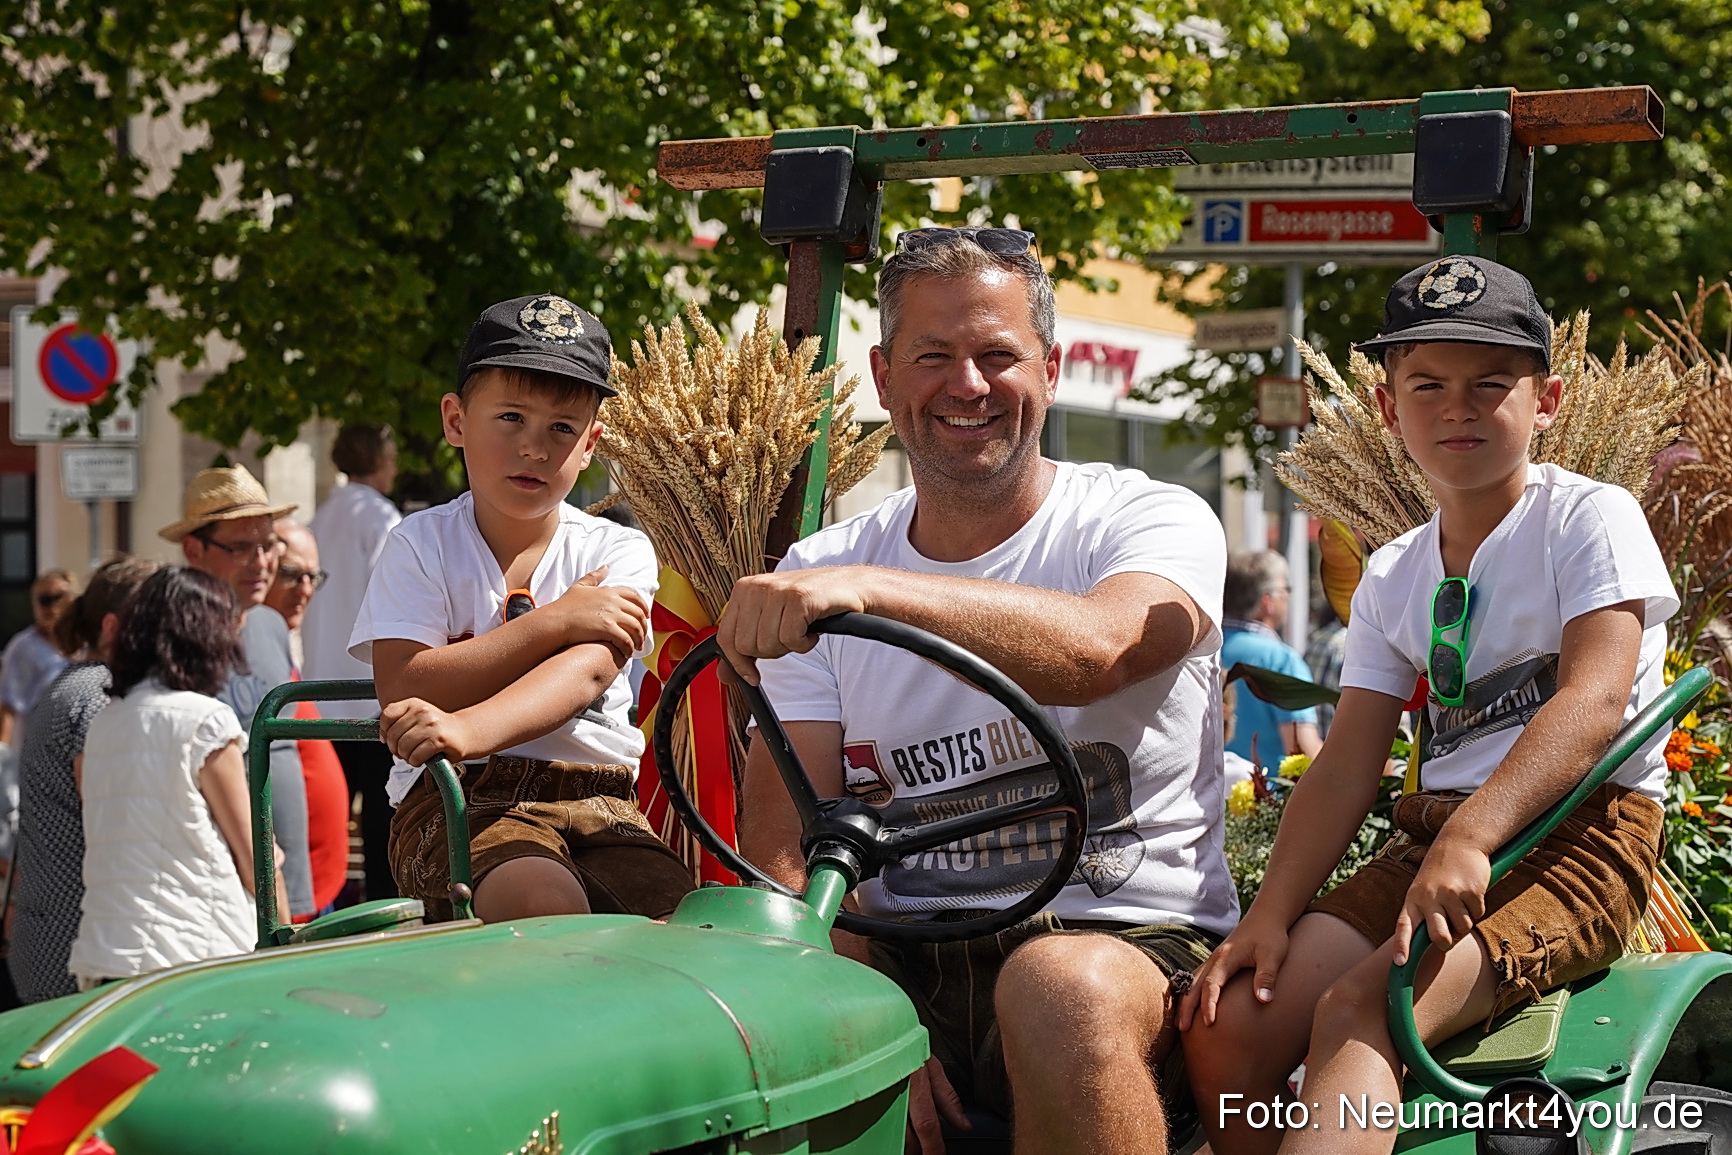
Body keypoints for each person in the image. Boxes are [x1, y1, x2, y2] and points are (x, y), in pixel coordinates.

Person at [721, 227, 1234, 1155]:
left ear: (1053, 366)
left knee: (1056, 989)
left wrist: (874, 592)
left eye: (998, 354)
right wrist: (854, 999)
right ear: (882, 378)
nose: (967, 386)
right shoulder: (820, 566)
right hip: (902, 960)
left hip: (1127, 941)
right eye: (934, 357)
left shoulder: (1148, 518)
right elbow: (785, 848)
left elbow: (1104, 647)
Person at [1179, 256, 1677, 1155]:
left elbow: (1595, 699)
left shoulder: (1589, 520)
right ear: (1386, 406)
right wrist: (1268, 915)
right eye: (1428, 384)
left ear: (1548, 399)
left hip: (1578, 838)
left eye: (1493, 383)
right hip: (1436, 844)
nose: (1459, 406)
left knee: (1364, 1007)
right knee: (1227, 1024)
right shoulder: (1393, 571)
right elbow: (1346, 763)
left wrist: (1471, 836)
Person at [349, 294, 692, 924]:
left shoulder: (618, 547)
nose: (534, 448)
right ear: (455, 421)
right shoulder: (420, 544)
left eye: (562, 428)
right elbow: (402, 682)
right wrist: (556, 620)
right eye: (510, 417)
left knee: (680, 926)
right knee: (542, 904)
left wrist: (466, 718)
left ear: (591, 445)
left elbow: (589, 670)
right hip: (457, 797)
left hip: (602, 802)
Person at [68, 567, 282, 987]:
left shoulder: (104, 723)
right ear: (207, 636)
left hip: (106, 955)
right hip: (194, 958)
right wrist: (288, 952)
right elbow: (257, 858)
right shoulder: (205, 722)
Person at [160, 466, 315, 920]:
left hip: (292, 871)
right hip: (223, 877)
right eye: (241, 547)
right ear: (195, 551)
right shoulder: (176, 639)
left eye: (268, 545)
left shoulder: (270, 622)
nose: (262, 561)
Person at [8, 558, 157, 1002]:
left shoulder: (78, 686)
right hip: (74, 948)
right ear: (115, 629)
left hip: (57, 936)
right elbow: (111, 828)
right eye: (158, 620)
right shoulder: (96, 699)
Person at [305, 424, 401, 900]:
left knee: (331, 823)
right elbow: (394, 601)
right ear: (379, 460)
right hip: (370, 695)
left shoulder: (319, 518)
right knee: (382, 827)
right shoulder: (380, 518)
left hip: (320, 695)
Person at [265, 519, 349, 915]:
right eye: (292, 575)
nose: (306, 590)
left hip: (312, 884)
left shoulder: (278, 643)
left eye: (313, 577)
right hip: (289, 894)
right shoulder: (256, 644)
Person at [1221, 552, 1321, 770]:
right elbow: (1301, 750)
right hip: (1266, 798)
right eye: (1287, 590)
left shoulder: (1203, 651)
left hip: (1208, 796)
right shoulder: (1281, 660)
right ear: (1267, 601)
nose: (1288, 597)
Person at [0, 570, 74, 747]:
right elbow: (9, 704)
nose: (52, 606)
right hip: (40, 751)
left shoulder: (86, 643)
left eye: (60, 597)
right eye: (45, 600)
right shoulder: (24, 647)